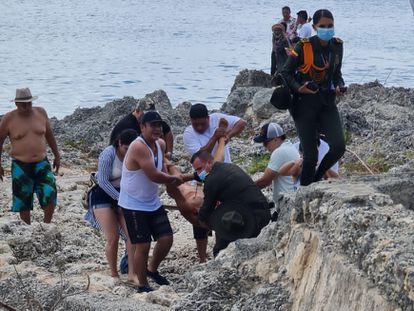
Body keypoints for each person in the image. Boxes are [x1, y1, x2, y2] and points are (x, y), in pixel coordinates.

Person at [119, 111, 183, 293]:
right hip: (132, 204)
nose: (157, 129)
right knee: (143, 245)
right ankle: (142, 284)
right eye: (153, 125)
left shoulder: (160, 144)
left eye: (159, 125)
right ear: (142, 127)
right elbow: (154, 176)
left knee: (166, 238)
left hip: (151, 201)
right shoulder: (138, 146)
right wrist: (176, 179)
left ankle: (152, 269)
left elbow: (162, 168)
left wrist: (174, 176)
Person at [281, 9, 346, 186]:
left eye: (330, 26)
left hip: (327, 102)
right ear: (315, 27)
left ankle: (317, 179)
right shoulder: (304, 45)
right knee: (310, 156)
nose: (327, 29)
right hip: (304, 105)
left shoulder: (338, 45)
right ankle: (305, 191)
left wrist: (339, 85)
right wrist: (298, 88)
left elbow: (336, 73)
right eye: (322, 26)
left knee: (339, 146)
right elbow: (285, 72)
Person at [191, 151, 271, 257]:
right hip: (263, 210)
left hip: (251, 218)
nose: (198, 173)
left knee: (220, 250)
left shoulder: (212, 179)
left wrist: (200, 218)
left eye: (200, 169)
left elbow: (207, 208)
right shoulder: (229, 167)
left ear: (209, 163)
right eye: (196, 170)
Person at [0, 88, 60, 225]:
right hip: (20, 164)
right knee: (23, 200)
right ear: (16, 104)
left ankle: (46, 225)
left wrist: (57, 155)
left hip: (42, 162)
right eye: (23, 104)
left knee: (50, 193)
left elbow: (49, 135)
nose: (27, 107)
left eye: (29, 103)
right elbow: (0, 141)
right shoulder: (9, 119)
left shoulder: (41, 112)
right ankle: (27, 228)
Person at [85, 129, 138, 281]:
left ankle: (131, 273)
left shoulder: (136, 153)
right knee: (112, 237)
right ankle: (114, 273)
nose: (129, 153)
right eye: (126, 149)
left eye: (131, 149)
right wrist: (119, 199)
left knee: (132, 236)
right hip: (102, 194)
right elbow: (102, 181)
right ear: (120, 143)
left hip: (123, 194)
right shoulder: (108, 154)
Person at [254, 123, 300, 203]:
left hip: (286, 202)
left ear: (275, 139)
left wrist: (245, 189)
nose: (264, 146)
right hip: (292, 197)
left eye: (265, 143)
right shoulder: (289, 146)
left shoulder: (279, 152)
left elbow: (265, 181)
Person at [109, 102, 174, 159]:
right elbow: (125, 148)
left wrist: (168, 153)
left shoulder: (151, 122)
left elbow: (167, 131)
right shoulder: (127, 126)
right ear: (137, 111)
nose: (148, 118)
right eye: (145, 115)